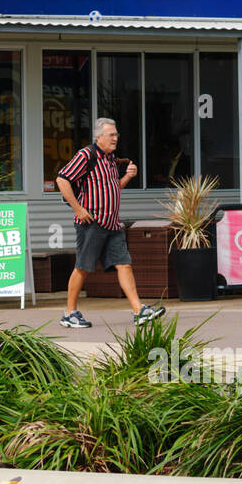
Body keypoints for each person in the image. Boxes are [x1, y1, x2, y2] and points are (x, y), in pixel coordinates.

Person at [55, 117, 164, 329]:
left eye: (116, 134)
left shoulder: (111, 159)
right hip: (92, 223)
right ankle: (69, 313)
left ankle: (138, 310)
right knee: (83, 267)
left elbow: (112, 188)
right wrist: (78, 209)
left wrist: (127, 178)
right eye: (111, 135)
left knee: (124, 264)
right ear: (98, 136)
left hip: (112, 224)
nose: (115, 138)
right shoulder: (86, 155)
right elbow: (62, 180)